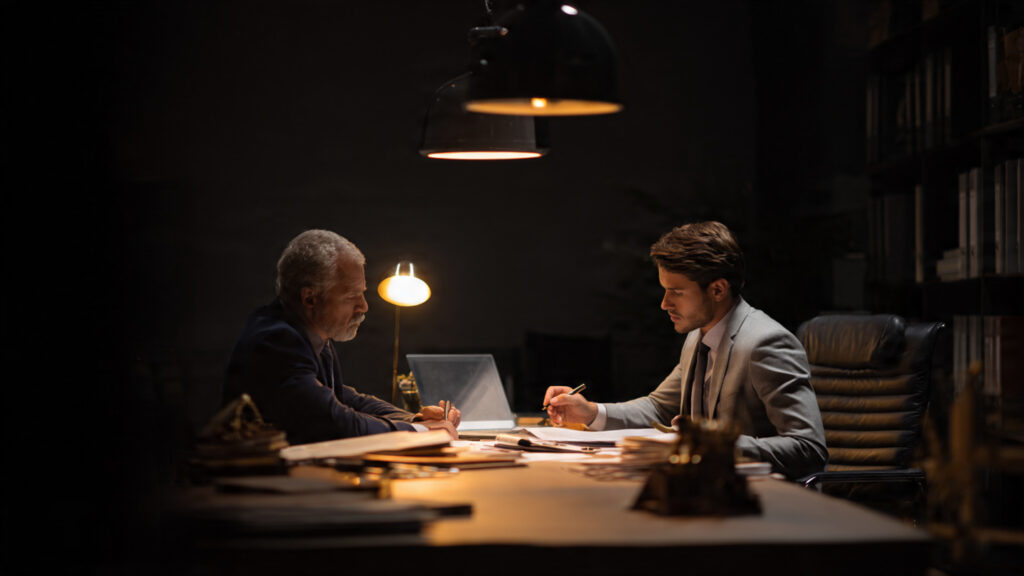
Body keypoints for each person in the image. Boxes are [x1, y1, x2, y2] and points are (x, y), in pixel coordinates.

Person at [543, 221, 827, 479]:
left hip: (761, 505)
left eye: (676, 292)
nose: (664, 304)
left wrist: (711, 443)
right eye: (664, 290)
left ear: (717, 290)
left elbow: (809, 448)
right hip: (704, 492)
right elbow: (659, 406)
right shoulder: (698, 337)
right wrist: (591, 412)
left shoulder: (765, 343)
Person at [224, 229, 459, 444]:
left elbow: (345, 399)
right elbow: (335, 421)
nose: (364, 306)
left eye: (362, 294)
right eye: (351, 296)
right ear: (310, 299)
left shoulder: (308, 333)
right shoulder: (276, 341)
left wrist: (415, 419)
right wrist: (423, 433)